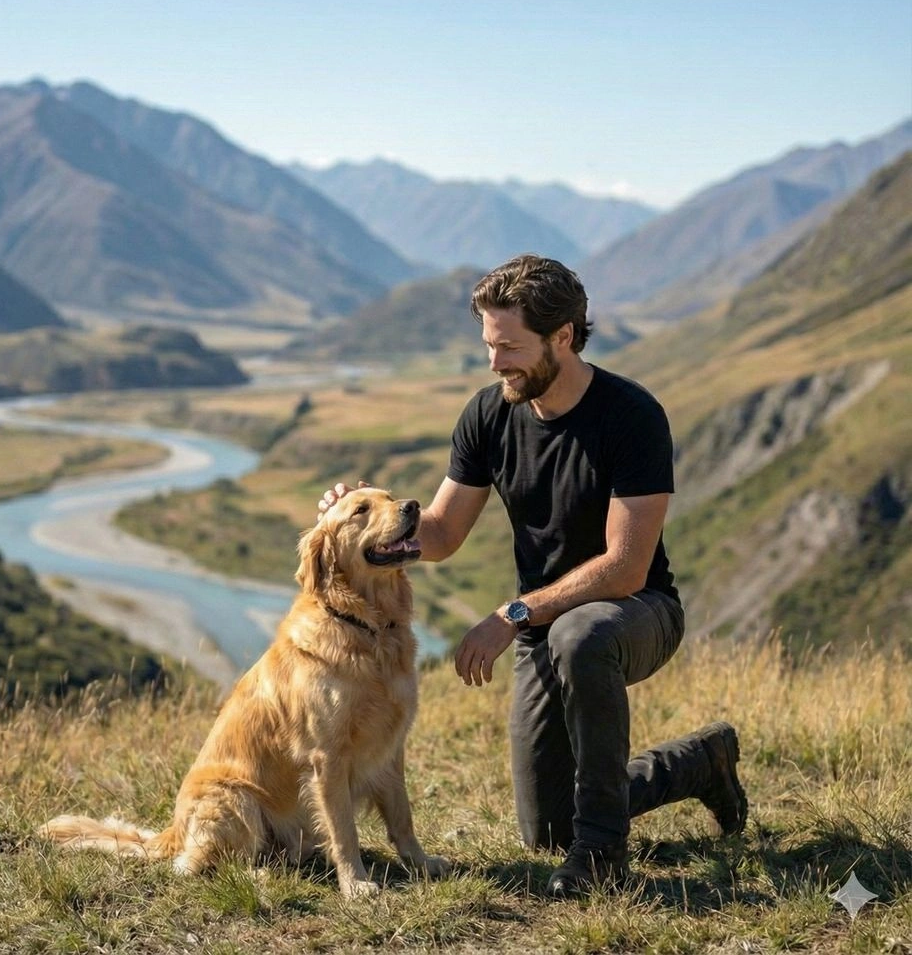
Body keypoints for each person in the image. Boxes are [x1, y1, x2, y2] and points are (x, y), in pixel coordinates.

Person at [318, 253, 747, 899]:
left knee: (583, 636)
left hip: (638, 612)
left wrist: (512, 615)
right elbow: (439, 533)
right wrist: (365, 527)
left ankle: (602, 856)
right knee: (546, 829)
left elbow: (625, 567)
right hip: (546, 626)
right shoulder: (490, 416)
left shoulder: (631, 417)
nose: (495, 364)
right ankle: (700, 764)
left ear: (564, 338)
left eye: (510, 347)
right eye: (490, 346)